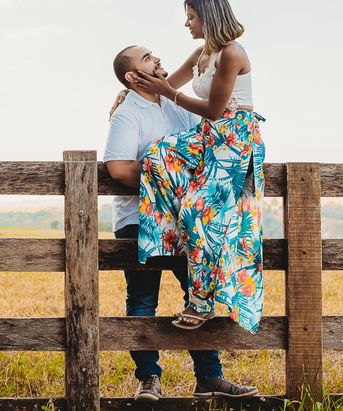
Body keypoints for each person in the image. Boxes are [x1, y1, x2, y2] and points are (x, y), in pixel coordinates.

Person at [105, 44, 259, 402]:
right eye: (147, 58)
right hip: (140, 220)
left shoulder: (178, 106)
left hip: (187, 222)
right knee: (143, 299)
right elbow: (120, 169)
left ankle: (210, 377)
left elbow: (207, 146)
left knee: (198, 293)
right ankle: (148, 379)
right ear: (133, 76)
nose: (157, 59)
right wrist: (172, 180)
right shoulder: (127, 114)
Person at [124, 0, 265, 335]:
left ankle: (202, 301)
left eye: (191, 16)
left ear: (209, 16)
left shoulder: (231, 54)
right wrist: (128, 94)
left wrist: (169, 93)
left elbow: (214, 110)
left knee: (199, 212)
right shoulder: (202, 53)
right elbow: (164, 85)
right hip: (207, 136)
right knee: (158, 152)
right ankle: (168, 227)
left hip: (234, 136)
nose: (186, 23)